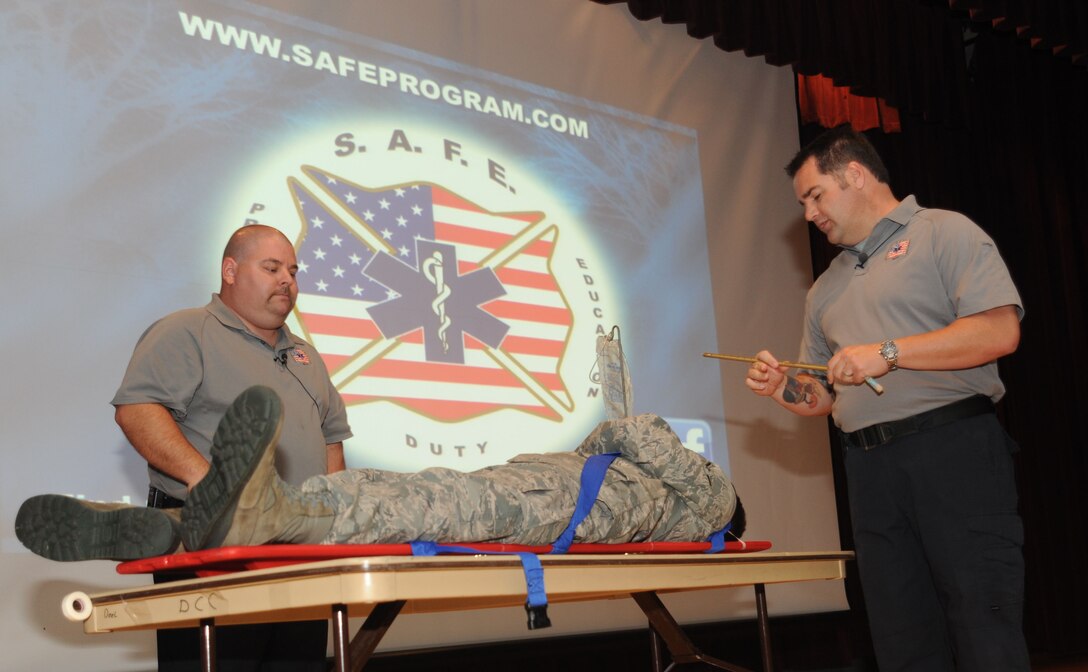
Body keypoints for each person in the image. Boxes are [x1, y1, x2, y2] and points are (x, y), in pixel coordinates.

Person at [745, 125, 1028, 671]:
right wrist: (786, 387)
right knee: (902, 635)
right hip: (870, 470)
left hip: (953, 451)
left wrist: (891, 351)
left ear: (854, 174)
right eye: (803, 203)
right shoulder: (824, 288)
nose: (808, 214)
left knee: (981, 619)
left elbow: (1000, 332)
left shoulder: (944, 232)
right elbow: (823, 396)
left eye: (814, 195)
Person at [17, 386, 745, 556]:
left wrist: (602, 444)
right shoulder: (683, 503)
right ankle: (181, 524)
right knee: (389, 491)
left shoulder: (717, 499)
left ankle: (263, 515)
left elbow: (636, 428)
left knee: (414, 507)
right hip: (544, 495)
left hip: (550, 502)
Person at [114, 224, 351, 671]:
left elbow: (331, 441)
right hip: (212, 547)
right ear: (230, 270)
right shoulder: (187, 331)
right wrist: (210, 482)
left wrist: (335, 520)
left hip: (297, 553)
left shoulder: (306, 355)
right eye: (272, 267)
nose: (288, 280)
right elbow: (137, 410)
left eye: (294, 271)